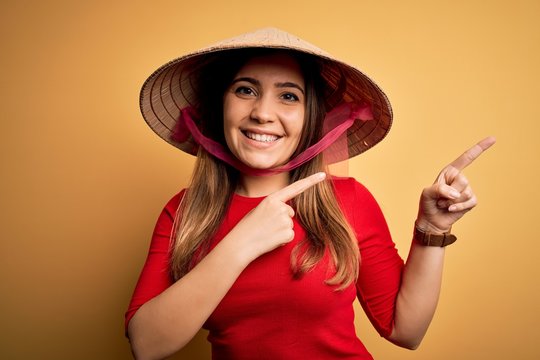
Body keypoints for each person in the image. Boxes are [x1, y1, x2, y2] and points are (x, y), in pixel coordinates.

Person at [125, 28, 495, 360]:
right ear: (220, 105)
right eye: (245, 90)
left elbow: (406, 331)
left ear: (311, 118)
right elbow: (146, 344)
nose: (263, 113)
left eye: (288, 96)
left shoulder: (349, 201)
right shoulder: (183, 212)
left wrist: (431, 229)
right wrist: (242, 244)